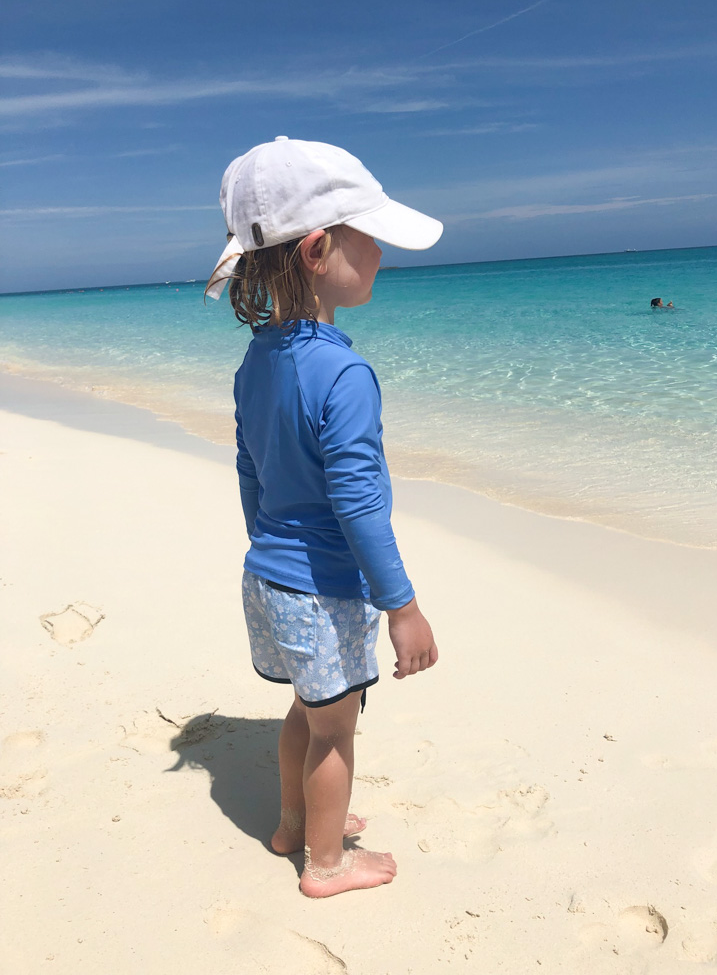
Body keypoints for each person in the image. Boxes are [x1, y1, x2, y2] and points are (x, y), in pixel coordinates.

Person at [205, 137, 441, 897]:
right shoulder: (342, 371)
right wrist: (401, 605)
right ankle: (328, 863)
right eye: (367, 235)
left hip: (268, 578)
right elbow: (360, 502)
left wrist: (267, 546)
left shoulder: (258, 360)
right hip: (325, 588)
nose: (379, 251)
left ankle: (290, 825)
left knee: (307, 711)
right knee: (337, 729)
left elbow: (251, 469)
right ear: (316, 251)